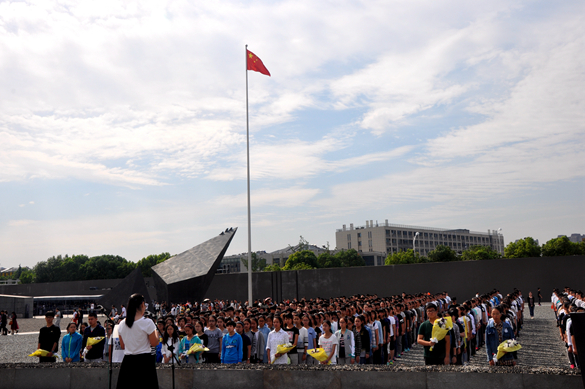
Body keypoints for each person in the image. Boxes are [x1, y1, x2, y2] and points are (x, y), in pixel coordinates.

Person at [117, 293, 159, 389]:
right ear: (142, 305)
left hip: (128, 362)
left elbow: (123, 346)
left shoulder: (122, 324)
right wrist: (156, 333)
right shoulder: (147, 322)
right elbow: (154, 343)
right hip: (144, 362)